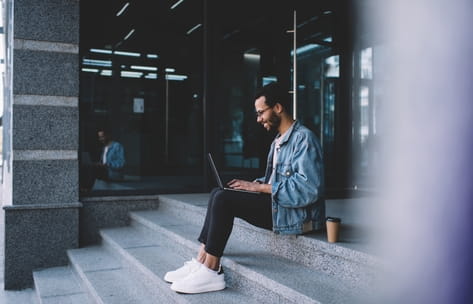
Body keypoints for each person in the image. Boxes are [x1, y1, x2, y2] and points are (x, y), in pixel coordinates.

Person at [164, 82, 325, 294]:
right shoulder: (278, 140)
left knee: (224, 200)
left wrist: (259, 188)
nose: (258, 119)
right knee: (218, 193)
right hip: (279, 206)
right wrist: (254, 185)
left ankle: (211, 270)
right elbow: (275, 180)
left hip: (295, 215)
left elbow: (308, 189)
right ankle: (202, 259)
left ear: (277, 108)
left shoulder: (304, 139)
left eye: (261, 113)